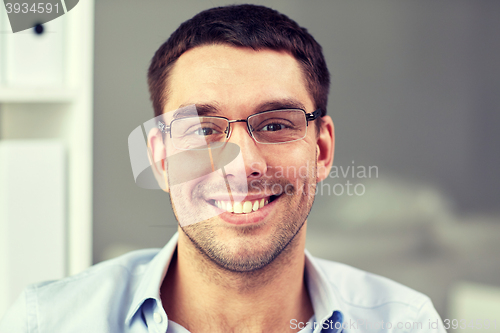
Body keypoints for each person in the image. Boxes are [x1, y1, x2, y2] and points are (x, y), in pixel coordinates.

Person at [0, 4, 445, 333]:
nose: (244, 165)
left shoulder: (406, 323)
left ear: (322, 149)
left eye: (274, 124)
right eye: (203, 129)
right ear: (160, 158)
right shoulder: (46, 323)